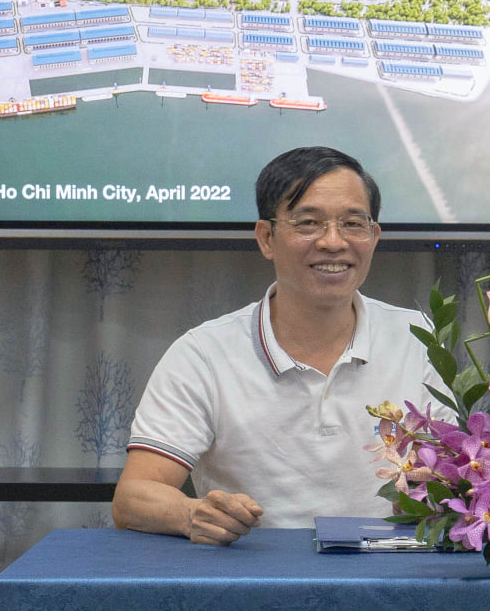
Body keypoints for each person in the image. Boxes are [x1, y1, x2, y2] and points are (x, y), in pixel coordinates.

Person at [112, 146, 438, 544]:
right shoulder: (203, 353)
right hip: (254, 580)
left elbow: (464, 473)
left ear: (373, 237)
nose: (333, 243)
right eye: (308, 223)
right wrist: (192, 514)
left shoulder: (419, 337)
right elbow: (133, 498)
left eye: (353, 224)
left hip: (392, 571)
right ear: (266, 238)